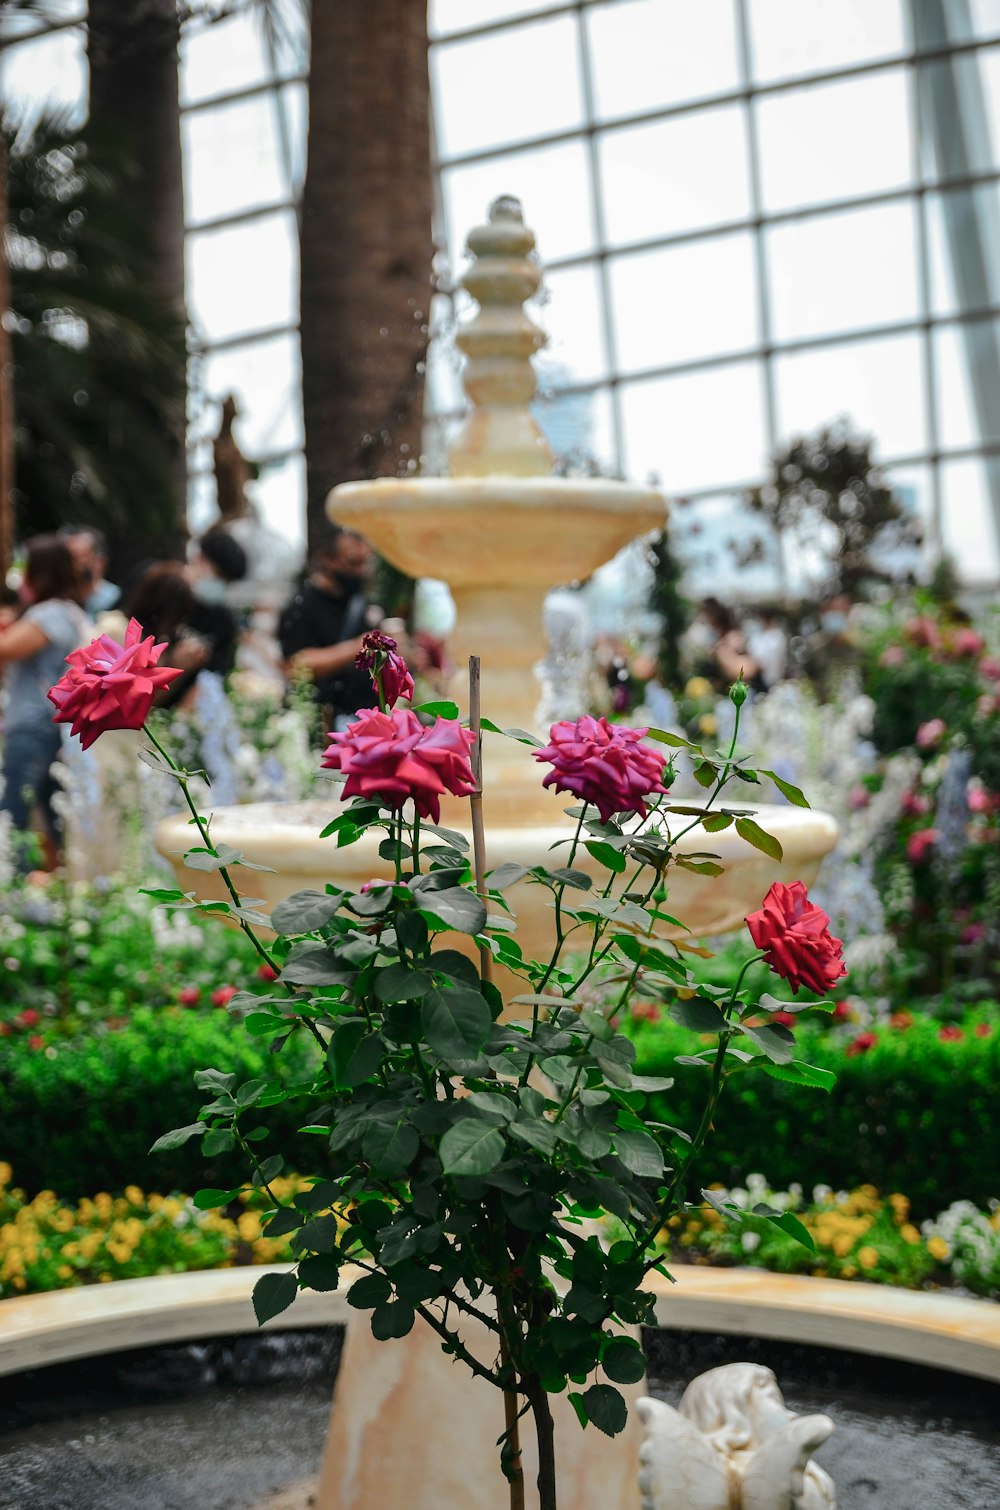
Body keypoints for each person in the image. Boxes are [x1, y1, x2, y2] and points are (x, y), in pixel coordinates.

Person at [0, 536, 90, 869]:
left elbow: (7, 648)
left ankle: (12, 887)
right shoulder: (69, 612)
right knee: (53, 814)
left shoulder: (51, 613)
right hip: (49, 726)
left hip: (33, 725)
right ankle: (69, 888)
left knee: (14, 814)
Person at [278, 527, 381, 728]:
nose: (362, 571)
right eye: (353, 562)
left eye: (366, 562)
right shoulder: (302, 606)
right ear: (328, 560)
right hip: (323, 724)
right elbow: (295, 666)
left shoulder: (361, 603)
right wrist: (358, 646)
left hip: (365, 721)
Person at [185, 526, 248, 679]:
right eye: (218, 575)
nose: (220, 585)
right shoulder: (159, 588)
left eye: (227, 582)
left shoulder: (222, 620)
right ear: (199, 557)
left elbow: (213, 676)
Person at [59, 525, 121, 615]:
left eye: (80, 557)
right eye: (68, 558)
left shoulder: (115, 599)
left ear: (100, 561)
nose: (72, 566)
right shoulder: (61, 603)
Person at [748, 608, 789, 690]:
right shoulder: (778, 636)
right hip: (770, 679)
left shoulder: (775, 636)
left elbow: (760, 661)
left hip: (769, 680)